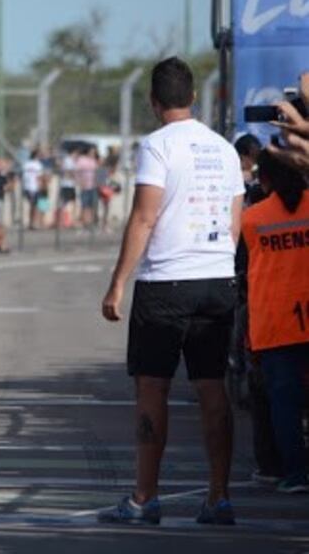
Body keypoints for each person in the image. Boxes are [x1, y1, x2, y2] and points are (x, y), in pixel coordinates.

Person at [99, 57, 245, 526]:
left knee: (152, 389)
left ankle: (145, 498)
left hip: (165, 283)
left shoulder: (156, 146)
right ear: (195, 97)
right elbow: (235, 224)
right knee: (212, 388)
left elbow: (144, 217)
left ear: (153, 101)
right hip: (217, 278)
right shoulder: (224, 148)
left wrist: (118, 283)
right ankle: (219, 497)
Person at [240, 149, 309, 493]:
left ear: (263, 180)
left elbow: (242, 271)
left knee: (284, 402)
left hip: (275, 321)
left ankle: (295, 472)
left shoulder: (253, 218)